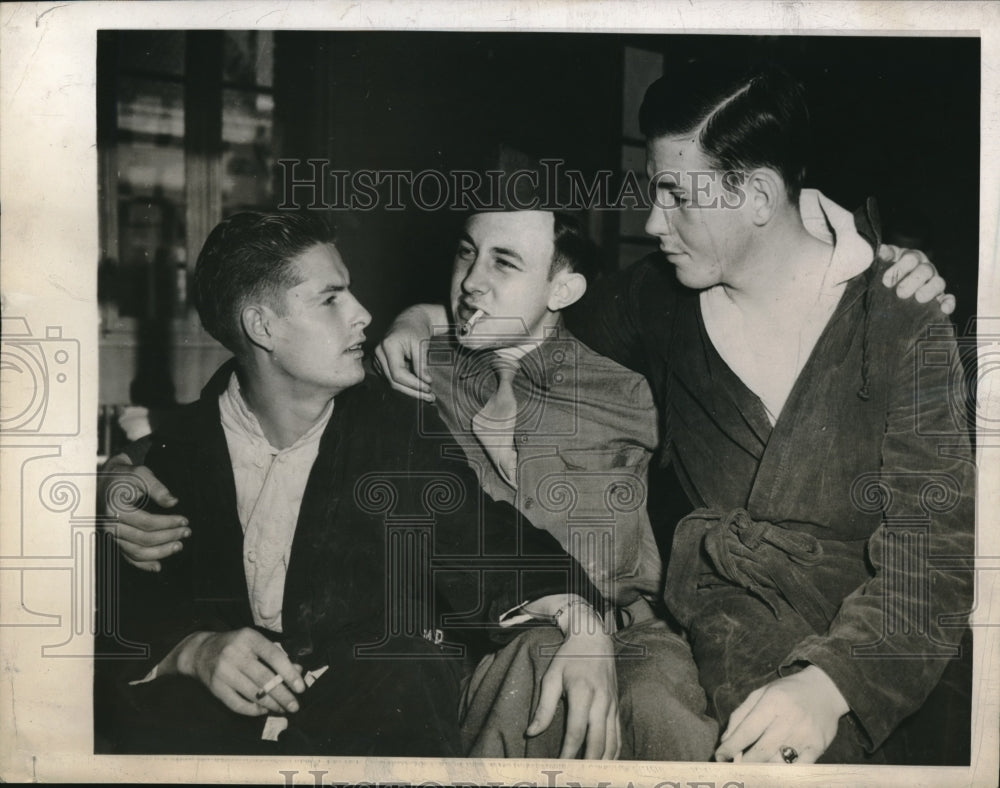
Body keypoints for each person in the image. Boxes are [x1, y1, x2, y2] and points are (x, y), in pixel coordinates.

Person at [376, 62, 973, 765]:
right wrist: (424, 319)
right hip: (729, 645)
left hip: (881, 662)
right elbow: (532, 320)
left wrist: (829, 686)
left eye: (673, 196)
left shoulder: (901, 315)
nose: (654, 222)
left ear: (755, 195)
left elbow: (934, 552)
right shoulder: (657, 301)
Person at [94, 211, 615, 756]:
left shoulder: (390, 428)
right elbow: (106, 623)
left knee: (408, 667)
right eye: (330, 299)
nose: (364, 314)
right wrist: (194, 651)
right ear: (262, 326)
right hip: (212, 741)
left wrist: (582, 622)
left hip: (366, 718)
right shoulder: (175, 457)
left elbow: (483, 535)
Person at [412, 203, 716, 759]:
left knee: (663, 714)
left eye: (504, 263)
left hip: (632, 636)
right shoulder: (419, 376)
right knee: (536, 675)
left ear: (563, 290)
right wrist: (409, 320)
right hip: (496, 639)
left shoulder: (627, 393)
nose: (471, 281)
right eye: (465, 253)